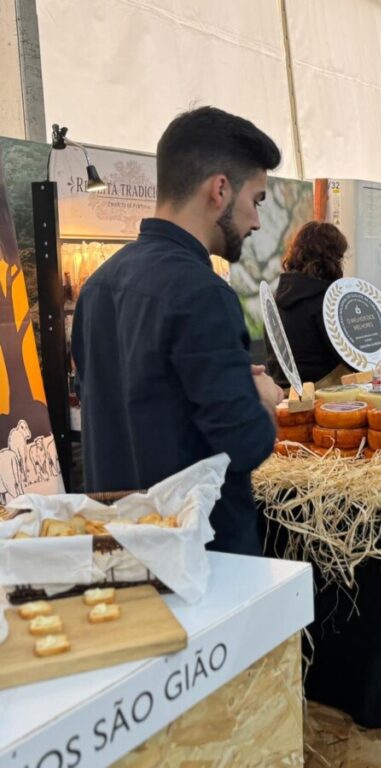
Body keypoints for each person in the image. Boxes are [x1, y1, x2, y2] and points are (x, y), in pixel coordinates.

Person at [71, 106, 284, 555]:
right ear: (220, 190)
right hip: (201, 562)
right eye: (257, 200)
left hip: (123, 553)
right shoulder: (203, 295)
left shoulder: (98, 288)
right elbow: (246, 443)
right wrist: (263, 402)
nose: (257, 221)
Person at [265, 221, 355, 387]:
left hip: (282, 394)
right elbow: (353, 360)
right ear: (332, 259)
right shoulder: (325, 301)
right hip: (319, 397)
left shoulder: (275, 297)